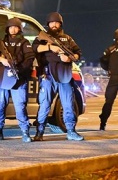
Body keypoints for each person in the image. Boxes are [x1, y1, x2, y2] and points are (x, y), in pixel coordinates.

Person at [32, 12, 84, 141]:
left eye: (57, 22)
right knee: (45, 104)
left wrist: (69, 58)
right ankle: (39, 132)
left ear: (60, 24)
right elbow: (34, 48)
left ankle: (71, 131)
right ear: (48, 24)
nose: (54, 25)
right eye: (52, 22)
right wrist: (49, 47)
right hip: (48, 74)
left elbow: (78, 53)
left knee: (68, 103)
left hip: (64, 73)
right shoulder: (43, 38)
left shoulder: (68, 39)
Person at [0, 17, 35, 142]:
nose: (13, 29)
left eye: (16, 27)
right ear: (7, 28)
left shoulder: (24, 43)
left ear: (20, 29)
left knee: (20, 106)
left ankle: (25, 132)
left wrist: (18, 69)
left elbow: (29, 60)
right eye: (11, 27)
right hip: (3, 78)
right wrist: (2, 60)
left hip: (19, 78)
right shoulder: (2, 43)